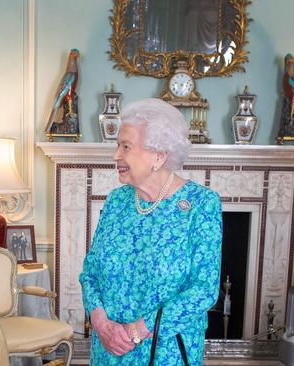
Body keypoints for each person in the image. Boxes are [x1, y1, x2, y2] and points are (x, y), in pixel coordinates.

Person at [79, 98, 222, 365]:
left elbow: (203, 290)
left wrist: (135, 331)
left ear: (159, 155)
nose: (115, 155)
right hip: (108, 349)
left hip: (164, 350)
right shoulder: (116, 201)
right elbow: (90, 273)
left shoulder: (201, 205)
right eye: (117, 145)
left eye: (126, 146)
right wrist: (100, 322)